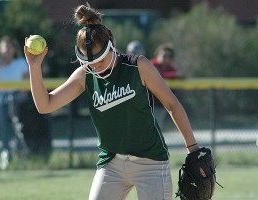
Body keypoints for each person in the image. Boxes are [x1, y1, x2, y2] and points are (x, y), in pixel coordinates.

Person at [24, 4, 199, 200]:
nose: (95, 66)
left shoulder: (137, 65)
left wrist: (193, 149)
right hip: (112, 163)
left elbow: (172, 104)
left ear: (111, 46)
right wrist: (34, 67)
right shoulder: (85, 76)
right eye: (89, 62)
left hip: (151, 162)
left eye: (100, 59)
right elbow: (45, 105)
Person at [0, 35, 29, 169]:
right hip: (0, 99)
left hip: (17, 99)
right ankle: (6, 154)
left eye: (9, 48)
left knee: (18, 128)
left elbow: (27, 81)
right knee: (4, 128)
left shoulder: (20, 62)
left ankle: (20, 154)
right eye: (4, 48)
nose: (6, 51)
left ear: (14, 50)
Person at [150, 43, 186, 128]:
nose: (165, 58)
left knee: (157, 127)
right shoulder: (151, 64)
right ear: (158, 54)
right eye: (163, 55)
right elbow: (158, 76)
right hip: (147, 102)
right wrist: (174, 75)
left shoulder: (170, 68)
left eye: (168, 56)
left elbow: (180, 76)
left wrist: (178, 75)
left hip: (160, 104)